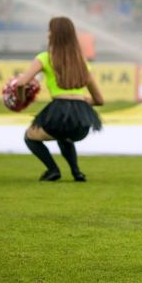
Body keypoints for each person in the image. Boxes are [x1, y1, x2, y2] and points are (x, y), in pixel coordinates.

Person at [16, 17, 103, 182]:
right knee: (64, 137)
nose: (47, 35)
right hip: (82, 118)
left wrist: (21, 100)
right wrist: (81, 100)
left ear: (54, 35)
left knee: (29, 136)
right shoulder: (82, 62)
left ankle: (53, 169)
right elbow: (99, 100)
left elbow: (21, 83)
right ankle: (77, 172)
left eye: (49, 31)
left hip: (58, 111)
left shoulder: (45, 58)